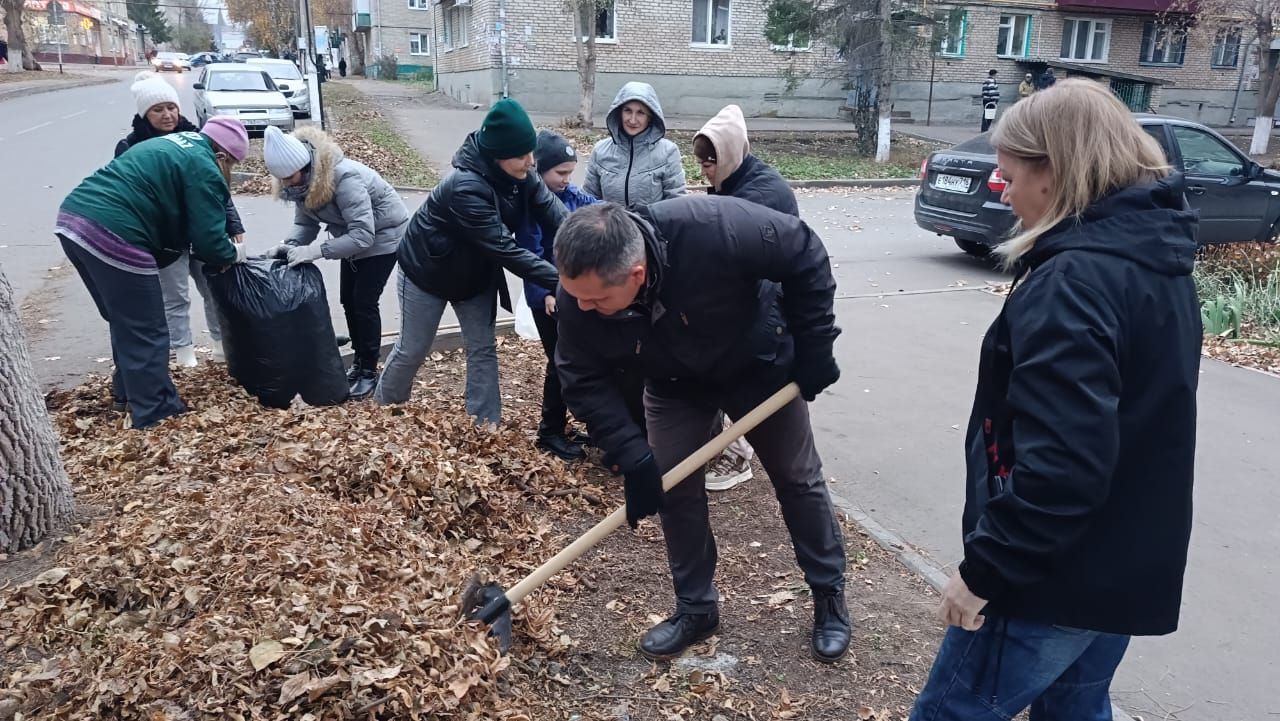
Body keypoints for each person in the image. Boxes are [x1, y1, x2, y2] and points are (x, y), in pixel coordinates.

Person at [909, 79, 1200, 720]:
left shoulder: (1072, 283)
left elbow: (1063, 466)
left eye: (1011, 176)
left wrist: (986, 571)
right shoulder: (1155, 259)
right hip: (1120, 563)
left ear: (1058, 170)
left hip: (1048, 577)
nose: (1005, 192)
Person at [553, 199, 849, 664]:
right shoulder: (580, 290)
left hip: (758, 366)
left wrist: (814, 347)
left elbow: (803, 251)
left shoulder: (713, 230)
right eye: (576, 297)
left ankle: (829, 595)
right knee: (672, 486)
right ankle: (696, 608)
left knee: (797, 478)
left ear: (634, 274)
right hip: (674, 382)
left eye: (595, 301)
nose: (581, 308)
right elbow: (580, 377)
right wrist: (632, 455)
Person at [55, 117, 251, 429]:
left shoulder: (174, 145)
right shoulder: (204, 165)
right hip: (115, 232)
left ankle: (127, 395)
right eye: (232, 166)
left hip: (73, 221)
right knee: (148, 327)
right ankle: (157, 411)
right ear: (223, 156)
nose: (227, 174)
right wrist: (233, 254)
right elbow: (209, 240)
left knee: (126, 320)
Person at [376, 98, 564, 421]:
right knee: (412, 349)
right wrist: (564, 282)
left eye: (530, 151)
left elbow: (554, 213)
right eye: (522, 155)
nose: (532, 162)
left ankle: (484, 427)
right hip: (426, 273)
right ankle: (382, 413)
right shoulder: (464, 187)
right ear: (497, 155)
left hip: (474, 275)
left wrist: (590, 246)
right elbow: (506, 250)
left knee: (482, 348)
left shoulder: (523, 175)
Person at [690, 103, 799, 492]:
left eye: (710, 161)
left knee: (745, 383)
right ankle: (722, 449)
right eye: (701, 161)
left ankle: (737, 456)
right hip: (751, 306)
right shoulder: (734, 182)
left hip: (769, 311)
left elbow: (730, 252)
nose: (704, 169)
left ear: (732, 154)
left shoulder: (761, 194)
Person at [262, 125, 409, 400]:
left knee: (363, 302)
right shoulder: (301, 184)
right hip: (351, 238)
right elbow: (304, 223)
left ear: (304, 167)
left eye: (289, 177)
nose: (285, 183)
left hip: (383, 237)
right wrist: (290, 244)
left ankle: (368, 372)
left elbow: (364, 236)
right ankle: (358, 363)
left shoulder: (343, 178)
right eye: (280, 179)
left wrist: (315, 251)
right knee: (348, 301)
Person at [116, 70, 246, 367]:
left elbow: (217, 190)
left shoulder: (197, 137)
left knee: (214, 289)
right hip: (164, 238)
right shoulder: (130, 147)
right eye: (158, 109)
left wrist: (233, 224)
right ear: (144, 114)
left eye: (171, 107)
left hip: (202, 231)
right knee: (175, 297)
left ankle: (221, 346)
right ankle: (185, 354)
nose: (167, 115)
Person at [513, 130, 599, 460]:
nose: (566, 179)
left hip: (569, 294)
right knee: (560, 363)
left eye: (570, 172)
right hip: (547, 300)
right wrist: (547, 292)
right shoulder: (532, 207)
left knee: (573, 360)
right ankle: (549, 432)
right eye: (560, 173)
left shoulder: (570, 196)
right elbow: (529, 254)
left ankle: (566, 424)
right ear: (540, 171)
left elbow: (593, 207)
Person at [584, 81, 686, 209]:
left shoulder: (668, 152)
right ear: (619, 112)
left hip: (651, 228)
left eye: (640, 113)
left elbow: (676, 204)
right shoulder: (600, 151)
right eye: (628, 111)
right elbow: (588, 201)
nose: (632, 120)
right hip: (611, 228)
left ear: (650, 117)